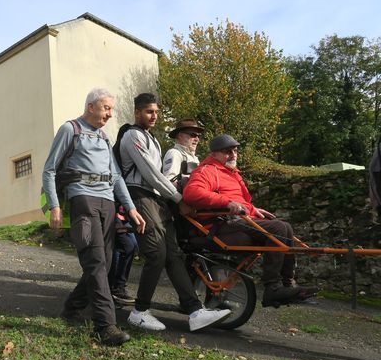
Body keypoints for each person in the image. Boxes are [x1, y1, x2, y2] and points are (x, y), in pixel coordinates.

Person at [42, 87, 146, 346]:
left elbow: (117, 176)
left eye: (111, 109)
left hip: (108, 202)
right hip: (82, 200)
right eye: (106, 108)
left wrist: (131, 208)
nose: (110, 114)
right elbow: (49, 170)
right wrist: (54, 206)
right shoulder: (70, 130)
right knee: (96, 260)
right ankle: (105, 326)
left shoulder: (103, 137)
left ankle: (72, 307)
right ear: (91, 106)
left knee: (104, 262)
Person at [119, 93, 230, 332]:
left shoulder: (154, 141)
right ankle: (139, 312)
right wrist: (179, 198)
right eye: (149, 112)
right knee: (156, 253)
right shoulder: (132, 135)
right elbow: (151, 173)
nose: (154, 116)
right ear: (137, 112)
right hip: (139, 194)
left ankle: (194, 311)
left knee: (174, 254)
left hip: (156, 198)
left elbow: (156, 177)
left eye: (156, 112)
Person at [183, 134, 317, 306]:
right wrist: (227, 202)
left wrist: (253, 209)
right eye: (227, 152)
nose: (233, 155)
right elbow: (192, 193)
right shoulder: (207, 170)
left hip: (236, 222)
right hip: (220, 226)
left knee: (285, 227)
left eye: (235, 151)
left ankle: (287, 284)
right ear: (214, 154)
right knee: (278, 229)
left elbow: (241, 202)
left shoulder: (231, 174)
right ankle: (272, 288)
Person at [108, 205, 137, 305]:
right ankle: (114, 287)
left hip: (126, 213)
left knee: (130, 245)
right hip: (114, 211)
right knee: (125, 246)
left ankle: (117, 287)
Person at [163, 118, 204, 185]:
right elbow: (169, 183)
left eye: (198, 136)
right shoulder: (174, 153)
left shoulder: (195, 158)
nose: (197, 139)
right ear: (180, 136)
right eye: (193, 135)